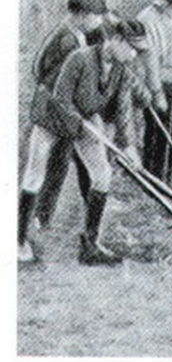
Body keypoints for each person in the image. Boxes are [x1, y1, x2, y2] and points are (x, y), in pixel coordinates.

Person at [21, 21, 148, 265]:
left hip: (85, 120)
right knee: (34, 176)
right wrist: (83, 123)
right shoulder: (80, 58)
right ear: (117, 41)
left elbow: (123, 112)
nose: (134, 55)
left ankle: (89, 246)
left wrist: (130, 147)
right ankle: (18, 242)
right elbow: (60, 98)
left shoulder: (122, 71)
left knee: (102, 174)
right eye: (131, 48)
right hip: (52, 119)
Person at [19, 0, 108, 262]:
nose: (100, 22)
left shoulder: (73, 34)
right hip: (51, 113)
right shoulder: (68, 40)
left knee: (48, 171)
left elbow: (38, 69)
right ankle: (18, 240)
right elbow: (46, 74)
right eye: (96, 16)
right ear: (81, 15)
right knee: (35, 173)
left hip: (59, 111)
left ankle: (41, 231)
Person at [135, 0, 172, 181]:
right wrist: (157, 92)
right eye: (170, 4)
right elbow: (150, 60)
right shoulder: (147, 19)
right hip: (156, 81)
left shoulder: (168, 16)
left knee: (169, 129)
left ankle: (162, 176)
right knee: (158, 130)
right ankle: (155, 176)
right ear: (161, 1)